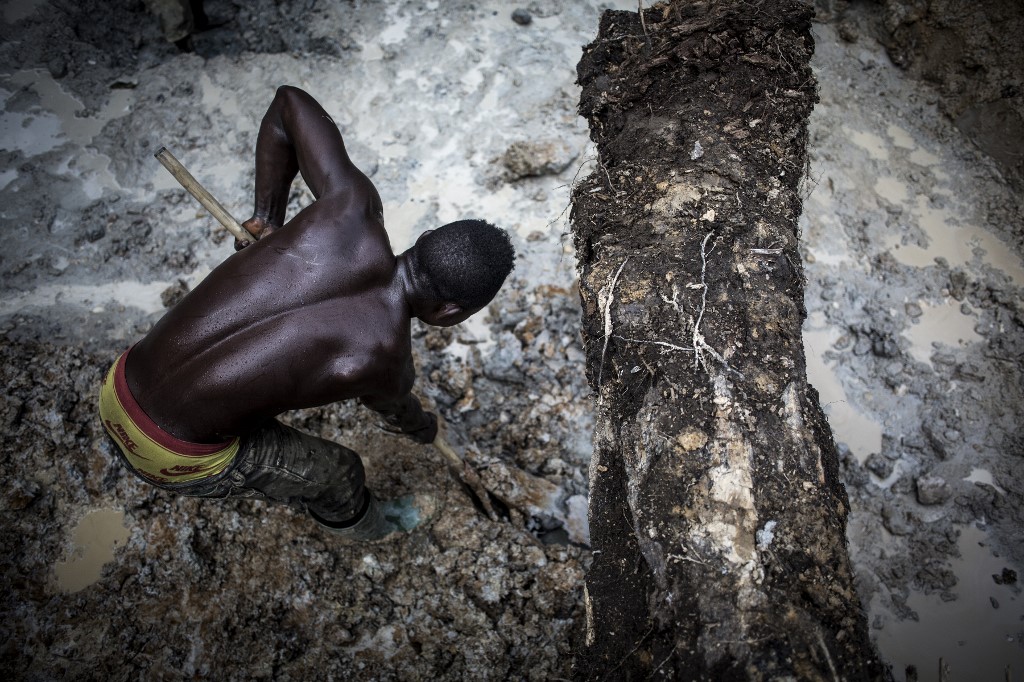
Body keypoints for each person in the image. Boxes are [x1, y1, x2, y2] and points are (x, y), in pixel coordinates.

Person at [99, 86, 516, 542]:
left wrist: (267, 217)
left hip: (117, 383)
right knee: (341, 472)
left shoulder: (350, 206)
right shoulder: (386, 358)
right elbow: (400, 413)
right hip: (170, 458)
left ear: (427, 234)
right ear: (452, 312)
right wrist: (425, 427)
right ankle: (372, 532)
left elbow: (287, 104)